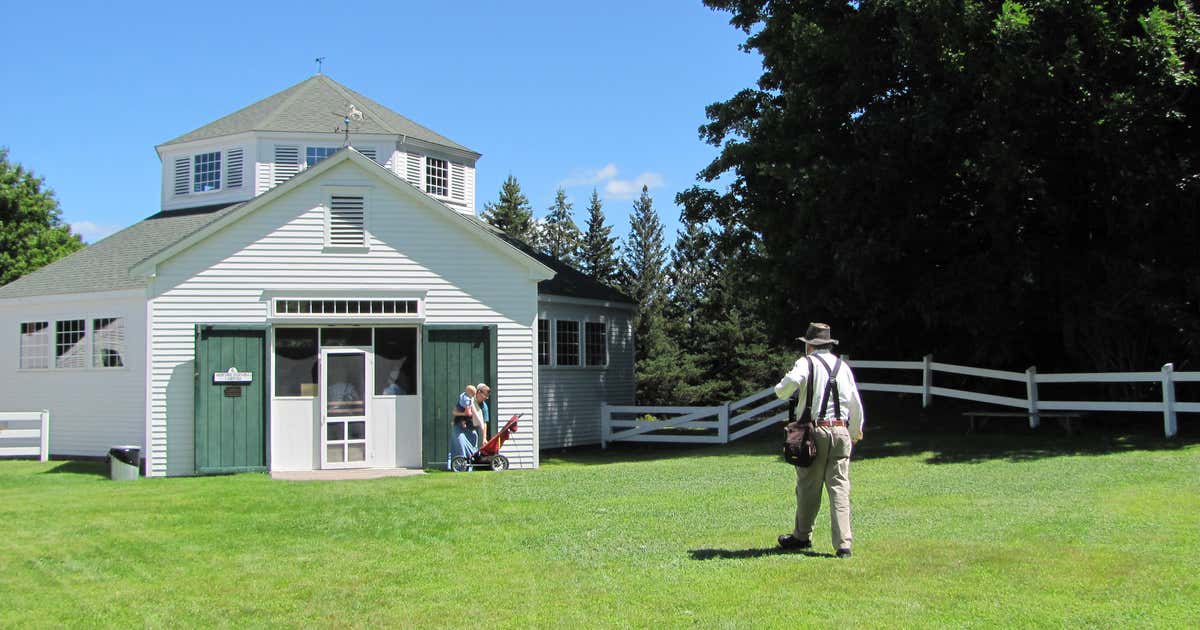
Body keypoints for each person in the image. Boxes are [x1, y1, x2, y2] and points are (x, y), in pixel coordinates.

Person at [773, 322, 865, 558]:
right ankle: (843, 545)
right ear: (828, 344)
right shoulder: (843, 367)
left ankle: (802, 536)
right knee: (839, 489)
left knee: (808, 487)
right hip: (841, 431)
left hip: (815, 432)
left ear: (810, 345)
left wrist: (781, 389)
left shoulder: (806, 363)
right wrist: (854, 432)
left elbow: (784, 389)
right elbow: (855, 404)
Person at [449, 385, 479, 469]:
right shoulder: (466, 399)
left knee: (460, 417)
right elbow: (468, 413)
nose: (474, 395)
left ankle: (459, 422)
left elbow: (455, 411)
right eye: (473, 393)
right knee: (463, 417)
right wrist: (475, 414)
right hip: (463, 417)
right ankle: (462, 423)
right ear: (470, 393)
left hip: (460, 414)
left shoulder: (463, 395)